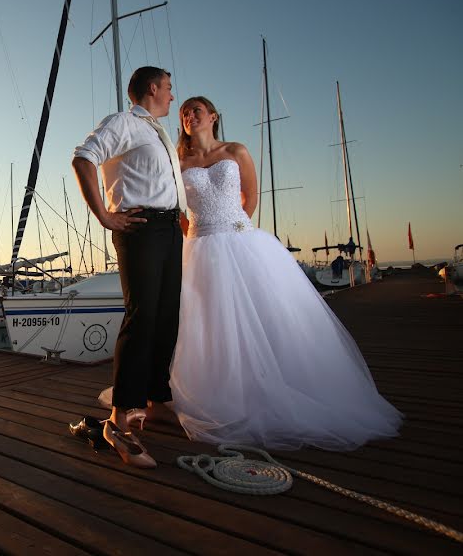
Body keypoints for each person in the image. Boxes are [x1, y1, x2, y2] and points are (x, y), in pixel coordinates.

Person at [166, 96, 402, 450]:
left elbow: (250, 195)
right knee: (211, 322)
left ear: (213, 116)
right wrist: (194, 231)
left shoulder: (236, 150)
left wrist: (235, 224)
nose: (189, 114)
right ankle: (222, 391)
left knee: (268, 315)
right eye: (185, 111)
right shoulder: (178, 160)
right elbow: (175, 208)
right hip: (200, 245)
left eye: (196, 109)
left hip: (241, 241)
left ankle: (276, 383)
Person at [72, 66, 185, 468]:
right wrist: (103, 215)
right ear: (153, 88)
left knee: (167, 317)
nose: (173, 95)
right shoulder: (125, 122)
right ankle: (119, 419)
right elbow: (84, 158)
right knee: (142, 317)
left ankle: (156, 400)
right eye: (169, 88)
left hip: (170, 230)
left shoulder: (157, 132)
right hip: (141, 229)